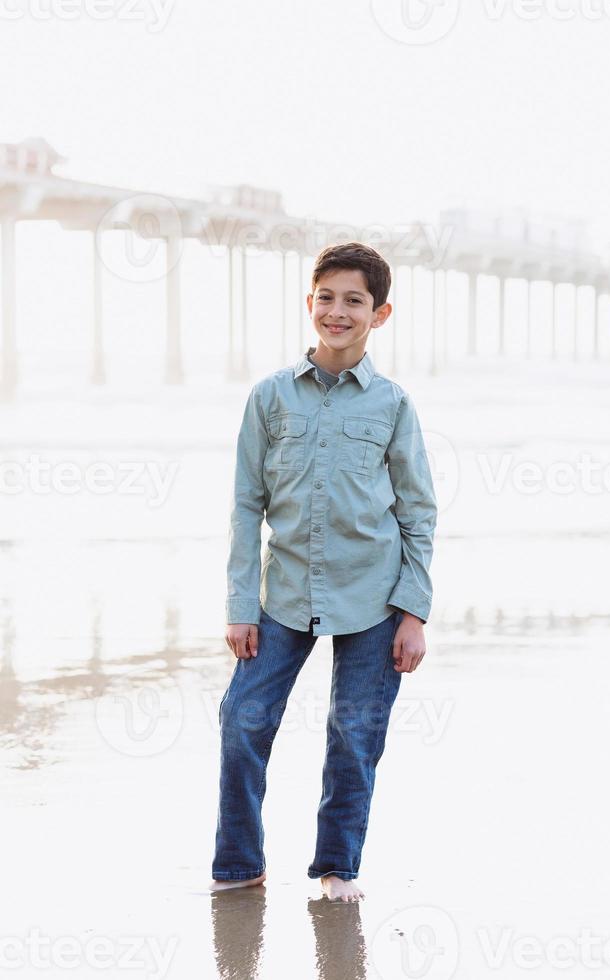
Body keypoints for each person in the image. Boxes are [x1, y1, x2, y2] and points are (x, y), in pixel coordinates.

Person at [210, 241, 438, 903]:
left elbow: (418, 509)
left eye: (354, 301)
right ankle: (238, 866)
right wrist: (238, 604)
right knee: (242, 720)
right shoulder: (270, 397)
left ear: (380, 312)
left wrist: (415, 612)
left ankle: (338, 868)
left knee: (355, 734)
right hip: (282, 593)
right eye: (327, 298)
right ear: (310, 303)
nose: (337, 312)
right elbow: (246, 502)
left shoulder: (393, 405)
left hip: (375, 594)